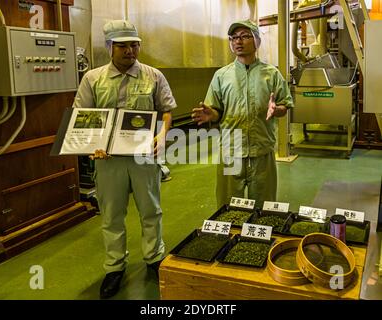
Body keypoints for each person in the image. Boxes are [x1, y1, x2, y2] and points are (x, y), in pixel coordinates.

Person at [72, 20, 177, 299]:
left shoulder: (154, 76)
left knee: (151, 210)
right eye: (122, 45)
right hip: (108, 160)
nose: (130, 50)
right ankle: (114, 267)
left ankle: (154, 258)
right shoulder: (93, 79)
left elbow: (166, 111)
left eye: (134, 44)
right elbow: (82, 117)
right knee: (111, 215)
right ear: (110, 47)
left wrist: (162, 136)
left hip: (144, 158)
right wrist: (92, 145)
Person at [191, 19, 294, 210]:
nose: (238, 41)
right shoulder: (222, 76)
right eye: (234, 38)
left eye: (245, 36)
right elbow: (216, 110)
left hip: (262, 150)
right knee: (228, 208)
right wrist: (211, 115)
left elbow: (284, 105)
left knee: (265, 208)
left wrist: (276, 109)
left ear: (256, 41)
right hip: (232, 150)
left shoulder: (271, 74)